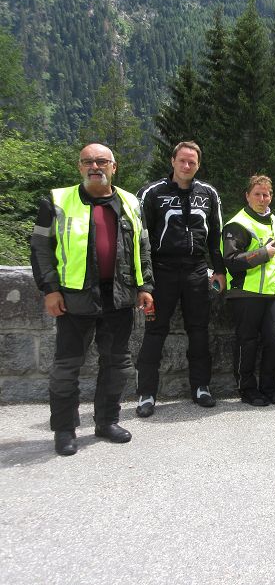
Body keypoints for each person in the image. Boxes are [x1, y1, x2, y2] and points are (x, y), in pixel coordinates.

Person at [30, 143, 154, 456]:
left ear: (114, 167)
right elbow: (40, 248)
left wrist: (145, 286)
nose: (94, 166)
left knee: (117, 363)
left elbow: (143, 246)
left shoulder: (131, 202)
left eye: (101, 161)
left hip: (119, 295)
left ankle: (107, 422)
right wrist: (50, 289)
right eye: (88, 161)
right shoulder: (56, 201)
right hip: (75, 297)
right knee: (67, 366)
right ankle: (64, 430)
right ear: (79, 167)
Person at [134, 141, 226, 417]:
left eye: (192, 162)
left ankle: (201, 387)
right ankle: (146, 393)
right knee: (154, 332)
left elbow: (216, 236)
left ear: (198, 165)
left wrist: (219, 270)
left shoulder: (208, 194)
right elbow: (140, 240)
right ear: (172, 161)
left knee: (199, 330)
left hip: (196, 270)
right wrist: (144, 282)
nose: (187, 166)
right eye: (182, 160)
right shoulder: (151, 193)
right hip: (161, 271)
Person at [221, 175, 275, 406]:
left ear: (271, 196)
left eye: (266, 194)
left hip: (272, 293)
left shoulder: (272, 219)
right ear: (247, 196)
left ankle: (269, 387)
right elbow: (230, 260)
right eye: (257, 194)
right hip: (245, 293)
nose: (262, 199)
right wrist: (262, 254)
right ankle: (247, 389)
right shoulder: (238, 224)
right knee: (247, 342)